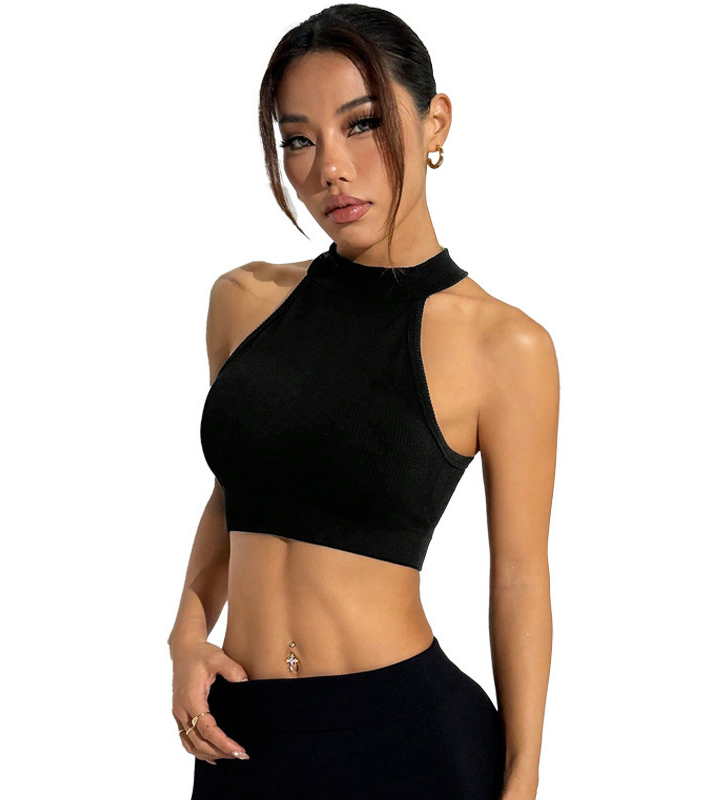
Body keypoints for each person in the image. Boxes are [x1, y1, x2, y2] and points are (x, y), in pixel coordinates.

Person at [168, 4, 559, 799]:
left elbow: (520, 575)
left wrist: (522, 780)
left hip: (407, 741)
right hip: (242, 738)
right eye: (299, 139)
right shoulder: (243, 301)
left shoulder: (504, 345)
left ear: (435, 121)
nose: (331, 169)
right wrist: (186, 630)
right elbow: (237, 490)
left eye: (364, 124)